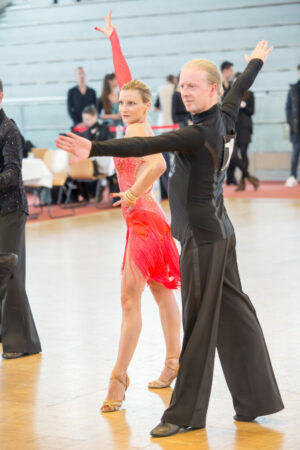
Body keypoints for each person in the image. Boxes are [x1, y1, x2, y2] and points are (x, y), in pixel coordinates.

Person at [56, 40, 284, 436]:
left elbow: (146, 144)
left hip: (203, 238)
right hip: (220, 233)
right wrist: (257, 62)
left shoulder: (197, 133)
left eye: (193, 86)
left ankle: (183, 416)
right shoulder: (224, 114)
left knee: (197, 326)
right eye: (182, 85)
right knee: (236, 315)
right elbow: (240, 86)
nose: (185, 91)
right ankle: (256, 400)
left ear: (212, 89)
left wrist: (94, 146)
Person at [71, 13, 182, 413]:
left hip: (145, 222)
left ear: (147, 107)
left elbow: (159, 166)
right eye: (121, 102)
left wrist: (133, 191)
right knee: (159, 292)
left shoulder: (139, 132)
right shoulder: (135, 124)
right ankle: (173, 363)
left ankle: (118, 378)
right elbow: (125, 78)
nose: (124, 106)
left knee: (129, 299)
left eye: (131, 103)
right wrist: (114, 39)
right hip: (144, 220)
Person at [0, 79, 41, 359]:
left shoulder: (9, 130)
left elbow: (12, 174)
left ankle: (20, 343)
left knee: (11, 275)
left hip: (11, 209)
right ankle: (21, 339)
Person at [226, 72, 259, 191]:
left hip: (245, 128)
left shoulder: (250, 95)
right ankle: (249, 177)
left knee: (244, 154)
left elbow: (252, 111)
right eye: (234, 82)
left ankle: (242, 181)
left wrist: (243, 104)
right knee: (233, 155)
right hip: (232, 128)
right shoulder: (230, 95)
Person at [285, 64, 300, 187]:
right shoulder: (293, 89)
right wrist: (291, 122)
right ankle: (292, 176)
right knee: (295, 153)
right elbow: (288, 108)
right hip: (297, 128)